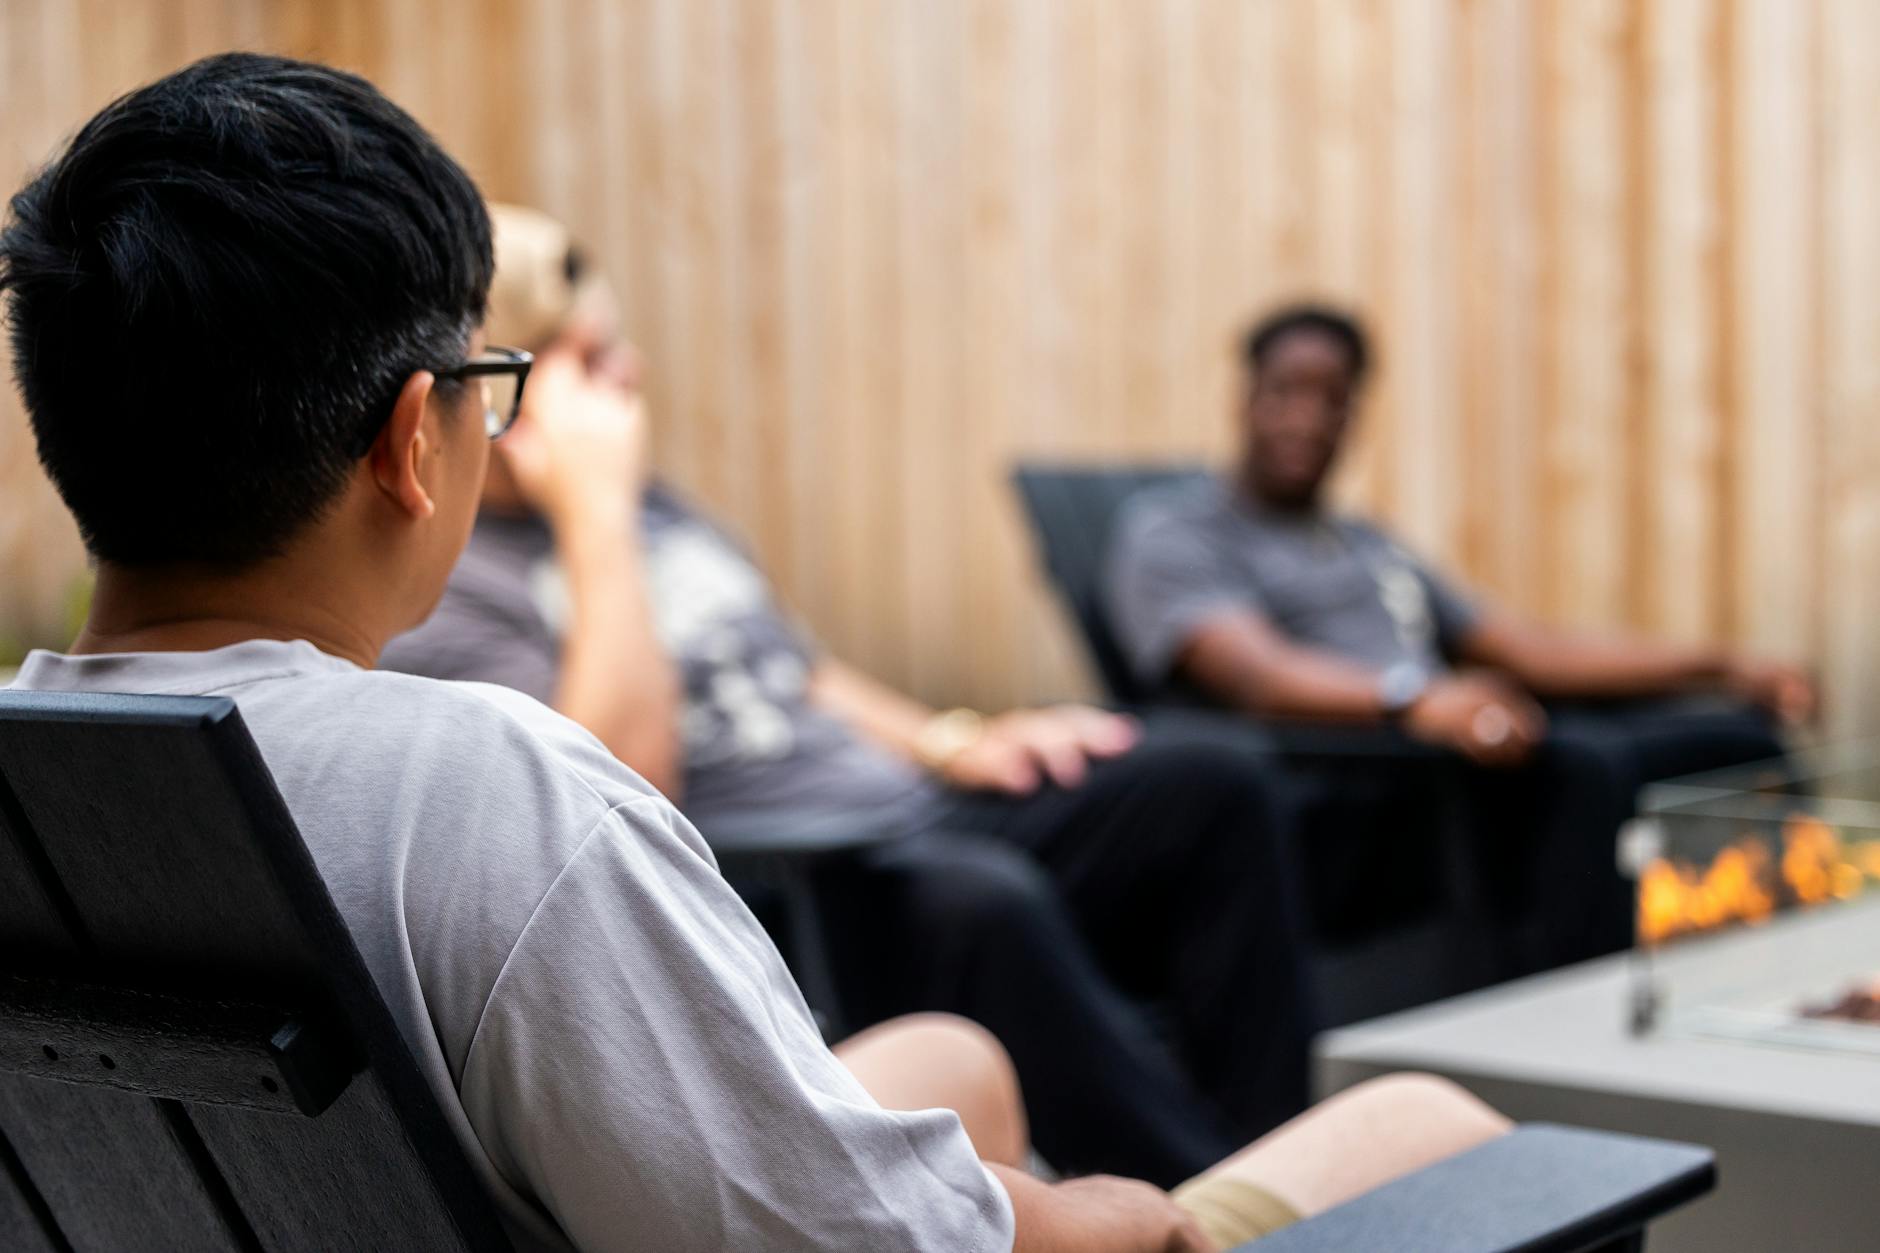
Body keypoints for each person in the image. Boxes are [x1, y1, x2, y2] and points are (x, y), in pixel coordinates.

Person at [0, 55, 1516, 1253]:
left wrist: (937, 736)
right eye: (497, 379)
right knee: (1437, 1121)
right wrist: (1113, 1218)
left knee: (950, 1059)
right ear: (416, 437)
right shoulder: (484, 790)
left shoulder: (46, 769)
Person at [382, 205, 1314, 1186]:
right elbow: (608, 789)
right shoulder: (465, 576)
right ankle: (1197, 1204)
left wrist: (957, 741)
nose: (631, 376)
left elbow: (801, 671)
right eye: (592, 358)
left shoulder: (657, 506)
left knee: (1208, 779)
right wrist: (594, 513)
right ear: (502, 387)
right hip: (793, 876)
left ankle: (1270, 1157)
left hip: (900, 809)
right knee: (981, 906)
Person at [1106, 302, 1814, 970]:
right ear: (1246, 398)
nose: (1308, 419)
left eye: (1334, 398)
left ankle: (1775, 975)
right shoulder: (1176, 530)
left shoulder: (1361, 540)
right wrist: (1417, 699)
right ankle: (1583, 1028)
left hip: (1454, 736)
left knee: (1737, 742)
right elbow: (1257, 674)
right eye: (1288, 391)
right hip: (1358, 774)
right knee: (1584, 769)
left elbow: (1515, 646)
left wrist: (1719, 665)